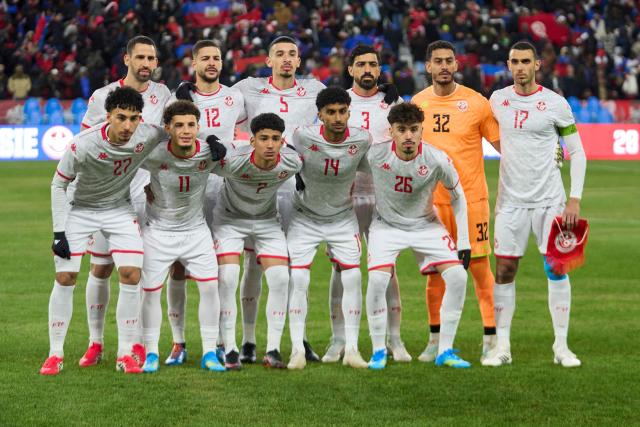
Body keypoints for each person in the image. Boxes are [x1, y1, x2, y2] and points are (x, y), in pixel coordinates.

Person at [40, 87, 166, 375]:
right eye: (121, 118)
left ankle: (125, 353)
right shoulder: (82, 144)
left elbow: (177, 130)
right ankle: (55, 353)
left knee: (131, 274)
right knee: (66, 275)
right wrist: (59, 232)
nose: (127, 125)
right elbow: (58, 184)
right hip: (79, 209)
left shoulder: (147, 134)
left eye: (134, 118)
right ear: (108, 116)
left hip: (119, 210)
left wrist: (208, 139)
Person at [482, 41, 586, 368]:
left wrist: (574, 199)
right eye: (515, 61)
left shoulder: (556, 104)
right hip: (510, 202)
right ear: (508, 65)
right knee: (505, 270)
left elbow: (578, 152)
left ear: (537, 64)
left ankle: (561, 346)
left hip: (551, 201)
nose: (520, 67)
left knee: (556, 268)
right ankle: (502, 346)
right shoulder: (497, 100)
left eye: (526, 61)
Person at [78, 35, 172, 368]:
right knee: (100, 268)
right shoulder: (102, 96)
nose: (147, 64)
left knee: (140, 273)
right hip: (107, 193)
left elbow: (172, 140)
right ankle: (96, 342)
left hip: (147, 192)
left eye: (152, 58)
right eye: (141, 57)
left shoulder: (165, 96)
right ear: (127, 59)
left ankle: (134, 345)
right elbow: (86, 144)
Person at [232, 35, 326, 363]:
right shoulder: (247, 87)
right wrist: (185, 87)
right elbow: (211, 100)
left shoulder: (314, 90)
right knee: (253, 265)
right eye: (280, 54)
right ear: (268, 60)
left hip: (300, 187)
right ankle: (247, 340)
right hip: (260, 186)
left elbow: (347, 107)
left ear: (299, 61)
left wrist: (385, 94)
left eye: (292, 54)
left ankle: (298, 338)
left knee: (295, 266)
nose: (286, 59)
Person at [411, 40, 501, 363]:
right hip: (432, 204)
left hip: (472, 201)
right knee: (435, 274)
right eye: (438, 61)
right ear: (428, 66)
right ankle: (435, 340)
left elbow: (503, 143)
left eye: (449, 60)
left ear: (457, 65)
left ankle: (492, 339)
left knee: (479, 269)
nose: (445, 66)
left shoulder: (476, 103)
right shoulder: (418, 103)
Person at [364, 102, 472, 370]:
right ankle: (379, 349)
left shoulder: (437, 159)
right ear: (391, 132)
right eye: (402, 130)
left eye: (414, 129)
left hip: (426, 224)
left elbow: (458, 197)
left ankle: (445, 349)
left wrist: (465, 241)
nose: (408, 135)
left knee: (458, 276)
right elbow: (343, 167)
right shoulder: (374, 155)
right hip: (386, 225)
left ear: (422, 130)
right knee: (377, 280)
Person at [323, 44, 409, 364]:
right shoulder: (338, 103)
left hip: (384, 195)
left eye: (373, 64)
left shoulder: (393, 102)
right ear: (351, 70)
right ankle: (338, 340)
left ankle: (395, 340)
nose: (368, 70)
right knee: (342, 267)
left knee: (387, 267)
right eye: (361, 65)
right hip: (345, 196)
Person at [164, 39, 247, 366]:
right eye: (205, 59)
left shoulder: (234, 98)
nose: (212, 63)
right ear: (194, 63)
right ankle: (178, 341)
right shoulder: (179, 97)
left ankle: (228, 343)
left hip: (225, 190)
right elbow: (166, 134)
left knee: (226, 270)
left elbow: (250, 131)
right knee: (179, 268)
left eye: (216, 58)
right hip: (187, 191)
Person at [139, 101, 226, 373]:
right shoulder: (153, 155)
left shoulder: (209, 154)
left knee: (211, 288)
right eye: (179, 125)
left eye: (191, 125)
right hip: (159, 232)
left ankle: (210, 352)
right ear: (168, 128)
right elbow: (123, 167)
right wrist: (144, 186)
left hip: (196, 232)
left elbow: (244, 160)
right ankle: (151, 352)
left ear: (198, 127)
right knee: (150, 293)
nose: (186, 130)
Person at [286, 87, 371, 370]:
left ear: (349, 111)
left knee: (354, 278)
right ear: (320, 115)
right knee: (298, 281)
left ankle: (352, 348)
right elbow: (284, 154)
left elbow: (376, 168)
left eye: (342, 111)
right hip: (305, 216)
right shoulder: (302, 136)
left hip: (342, 218)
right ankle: (297, 349)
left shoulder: (362, 140)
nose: (337, 118)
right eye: (331, 112)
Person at [212, 113, 302, 370]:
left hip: (266, 221)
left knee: (281, 279)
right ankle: (228, 348)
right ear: (252, 141)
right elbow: (193, 163)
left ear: (283, 141)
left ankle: (272, 349)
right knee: (228, 276)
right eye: (264, 138)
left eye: (275, 139)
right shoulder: (232, 161)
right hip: (229, 220)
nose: (270, 144)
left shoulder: (291, 162)